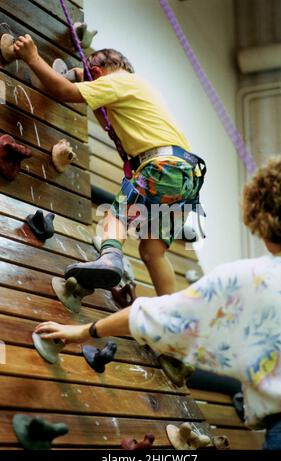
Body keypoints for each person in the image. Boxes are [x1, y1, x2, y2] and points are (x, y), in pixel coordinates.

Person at [35, 153, 281, 450]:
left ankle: (111, 253)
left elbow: (159, 316)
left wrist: (84, 331)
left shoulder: (249, 279)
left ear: (263, 219)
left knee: (119, 217)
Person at [14, 34, 205, 295]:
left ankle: (110, 257)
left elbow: (64, 91)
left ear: (97, 72)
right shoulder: (137, 88)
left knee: (117, 216)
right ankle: (170, 308)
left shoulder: (115, 82)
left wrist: (32, 57)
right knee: (152, 251)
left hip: (161, 166)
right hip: (186, 176)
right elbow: (107, 122)